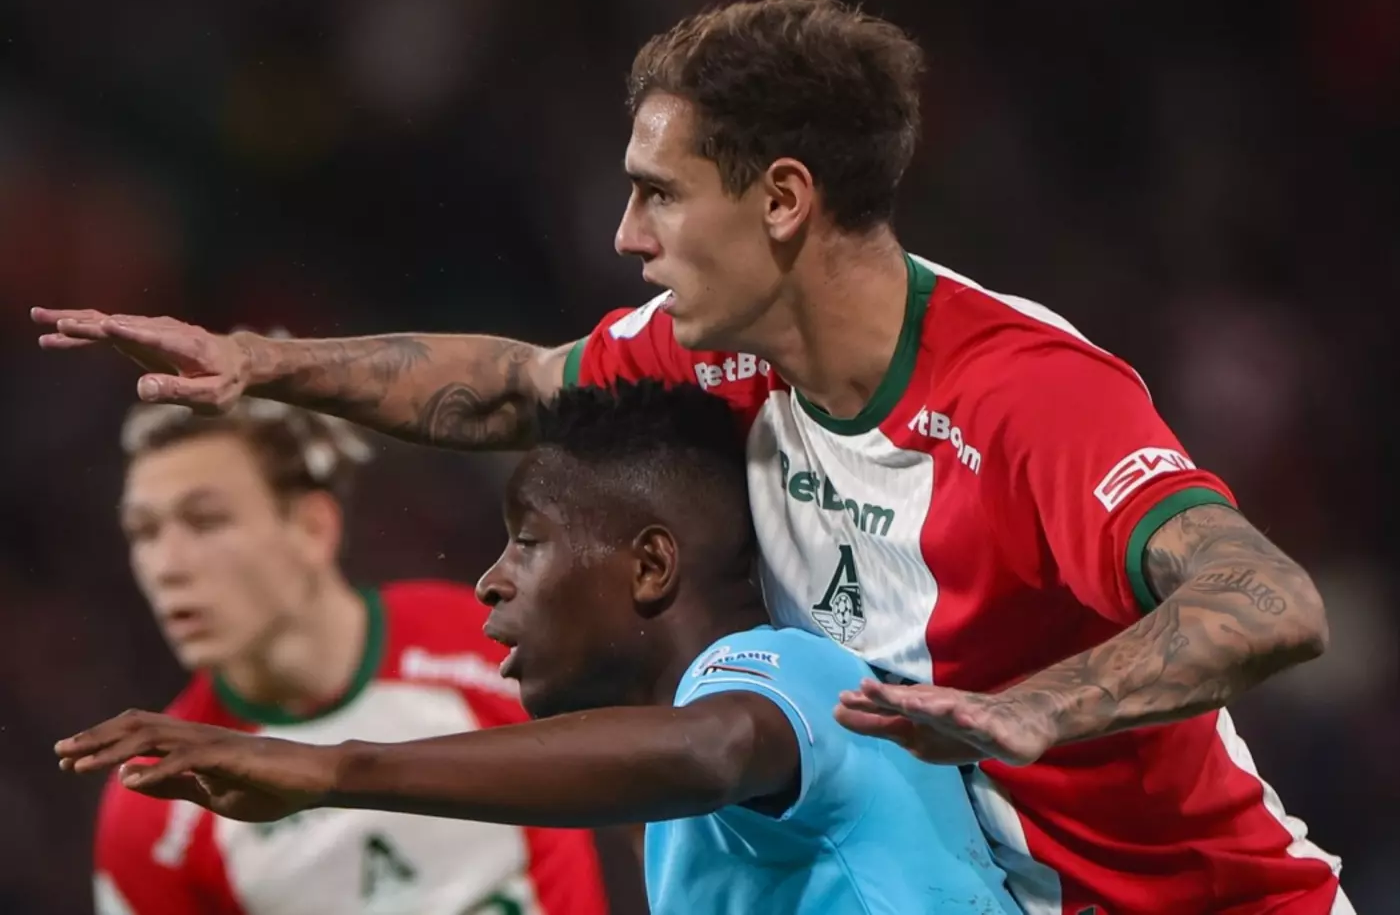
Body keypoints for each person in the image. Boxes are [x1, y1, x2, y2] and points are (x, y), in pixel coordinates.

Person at [34, 0, 1351, 915]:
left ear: (782, 199)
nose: (624, 234)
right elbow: (507, 387)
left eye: (659, 192)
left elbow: (1269, 598)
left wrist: (1040, 709)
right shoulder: (710, 354)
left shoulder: (1023, 398)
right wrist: (258, 362)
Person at [59, 381, 1023, 915]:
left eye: (527, 541)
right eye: (142, 532)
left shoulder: (798, 672)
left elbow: (712, 750)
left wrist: (329, 770)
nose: (491, 580)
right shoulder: (682, 819)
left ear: (650, 565)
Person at [91, 394, 611, 915]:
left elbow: (644, 785)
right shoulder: (158, 802)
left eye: (206, 521)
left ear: (313, 527)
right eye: (144, 531)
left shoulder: (491, 642)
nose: (166, 565)